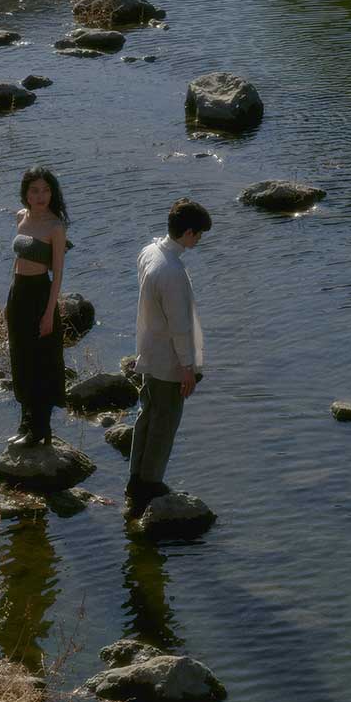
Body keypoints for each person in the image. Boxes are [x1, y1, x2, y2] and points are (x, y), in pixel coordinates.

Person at [125, 197, 212, 518]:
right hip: (168, 361)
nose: (199, 240)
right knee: (165, 424)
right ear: (188, 233)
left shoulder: (150, 251)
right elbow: (179, 327)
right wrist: (188, 368)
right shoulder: (172, 272)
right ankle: (150, 483)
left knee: (146, 416)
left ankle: (136, 478)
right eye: (199, 235)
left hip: (148, 351)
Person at [5, 166, 69, 447]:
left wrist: (48, 313)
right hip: (18, 293)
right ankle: (25, 424)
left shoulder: (55, 226)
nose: (41, 195)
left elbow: (58, 274)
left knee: (41, 362)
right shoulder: (21, 217)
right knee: (20, 359)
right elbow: (17, 263)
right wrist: (9, 300)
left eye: (45, 190)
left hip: (41, 294)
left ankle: (40, 429)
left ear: (51, 192)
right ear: (26, 194)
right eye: (35, 190)